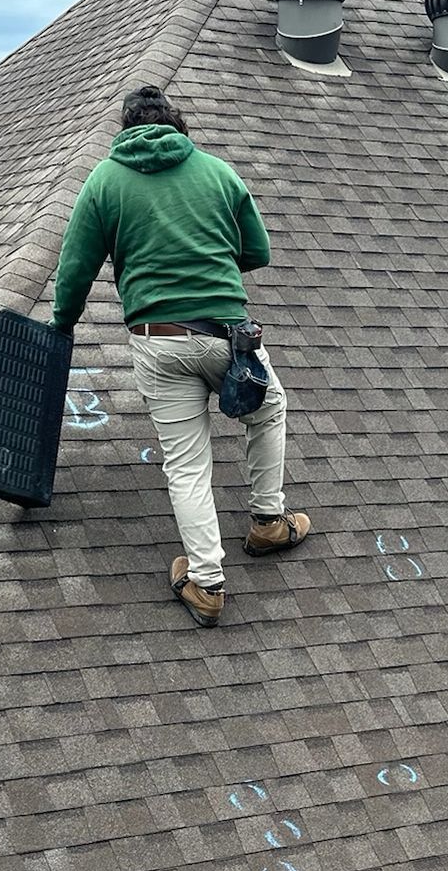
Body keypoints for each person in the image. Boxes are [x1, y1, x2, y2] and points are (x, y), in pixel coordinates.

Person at [50, 86, 309, 627]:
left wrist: (61, 326)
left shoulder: (105, 180)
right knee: (270, 406)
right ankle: (267, 519)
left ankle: (207, 583)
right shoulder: (217, 173)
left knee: (187, 462)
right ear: (177, 128)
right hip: (228, 338)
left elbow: (75, 268)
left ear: (125, 131)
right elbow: (256, 252)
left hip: (158, 337)